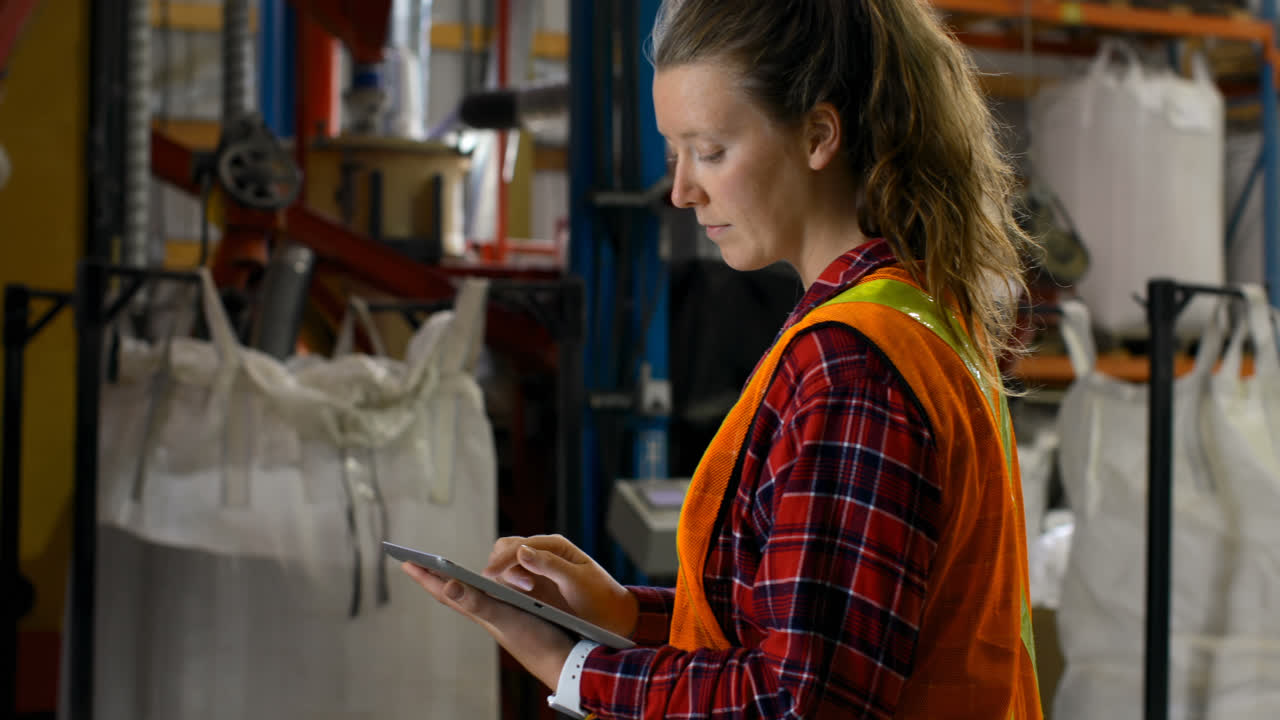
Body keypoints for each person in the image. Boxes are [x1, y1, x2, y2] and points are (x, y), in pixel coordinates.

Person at [403, 0, 1042, 717]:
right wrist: (625, 615)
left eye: (709, 152)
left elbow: (799, 702)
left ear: (818, 135)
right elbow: (808, 630)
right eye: (674, 155)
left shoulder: (850, 364)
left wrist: (566, 663)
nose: (682, 191)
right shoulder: (912, 312)